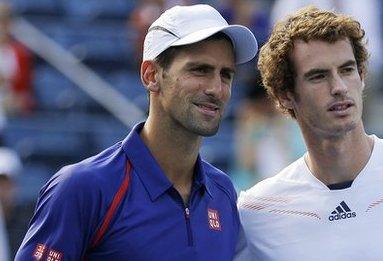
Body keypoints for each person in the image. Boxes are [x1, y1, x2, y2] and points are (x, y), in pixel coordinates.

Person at [16, 4, 257, 260]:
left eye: (226, 75)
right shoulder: (82, 187)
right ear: (151, 75)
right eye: (200, 70)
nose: (216, 89)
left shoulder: (222, 192)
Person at [235, 5, 383, 261]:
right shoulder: (257, 212)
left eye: (347, 69)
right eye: (318, 76)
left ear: (362, 76)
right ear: (285, 95)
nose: (339, 87)